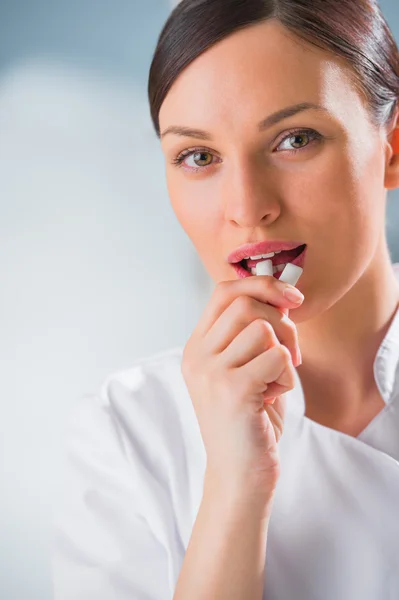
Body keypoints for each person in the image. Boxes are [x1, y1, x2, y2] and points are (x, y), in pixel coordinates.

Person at [52, 1, 399, 599]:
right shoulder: (126, 433)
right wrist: (236, 489)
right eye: (198, 157)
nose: (246, 206)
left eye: (295, 139)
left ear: (392, 149)